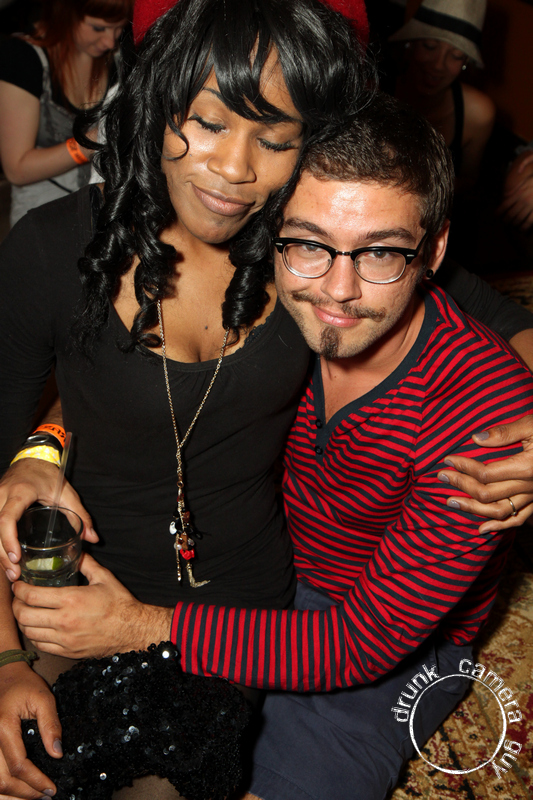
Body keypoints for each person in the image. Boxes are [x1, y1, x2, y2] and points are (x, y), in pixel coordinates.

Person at [0, 0, 532, 797]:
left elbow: (503, 327)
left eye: (275, 138)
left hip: (295, 610)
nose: (235, 169)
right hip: (135, 577)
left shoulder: (322, 267)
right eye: (209, 122)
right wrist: (42, 449)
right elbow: (104, 385)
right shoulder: (71, 249)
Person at [0, 0, 131, 227]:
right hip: (42, 217)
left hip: (103, 212)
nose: (110, 41)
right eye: (98, 28)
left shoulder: (118, 58)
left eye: (118, 28)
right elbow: (16, 170)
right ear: (65, 12)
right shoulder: (22, 58)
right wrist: (92, 142)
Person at [388, 0, 495, 192]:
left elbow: (468, 183)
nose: (438, 65)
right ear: (410, 44)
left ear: (466, 62)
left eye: (456, 55)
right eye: (429, 46)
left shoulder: (477, 114)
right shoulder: (374, 88)